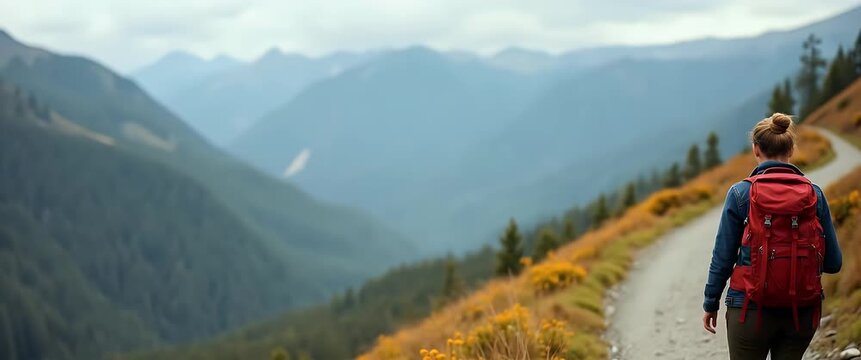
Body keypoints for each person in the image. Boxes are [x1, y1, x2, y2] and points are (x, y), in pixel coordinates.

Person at [701, 113, 842, 360]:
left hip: (749, 308)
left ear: (756, 150)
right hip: (801, 311)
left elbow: (722, 258)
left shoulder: (740, 194)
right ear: (792, 149)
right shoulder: (815, 195)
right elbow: (833, 263)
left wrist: (710, 303)